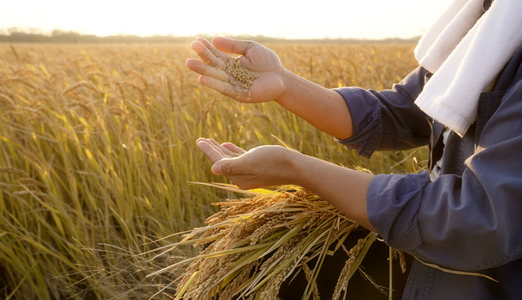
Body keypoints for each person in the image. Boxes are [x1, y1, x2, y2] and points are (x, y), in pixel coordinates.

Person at [186, 0, 522, 298]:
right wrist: (284, 83)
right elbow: (402, 110)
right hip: (442, 245)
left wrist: (297, 168)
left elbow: (480, 216)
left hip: (485, 274)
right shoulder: (489, 15)